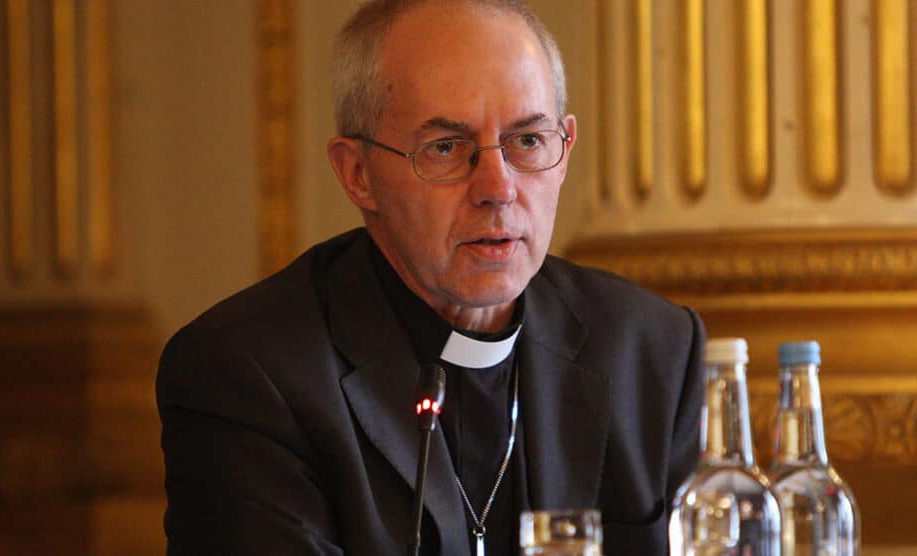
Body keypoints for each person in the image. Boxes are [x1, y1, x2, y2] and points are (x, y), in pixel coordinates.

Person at [156, 1, 705, 554]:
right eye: (446, 148)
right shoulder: (249, 378)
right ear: (357, 173)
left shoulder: (653, 351)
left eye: (527, 141)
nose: (498, 188)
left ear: (563, 151)